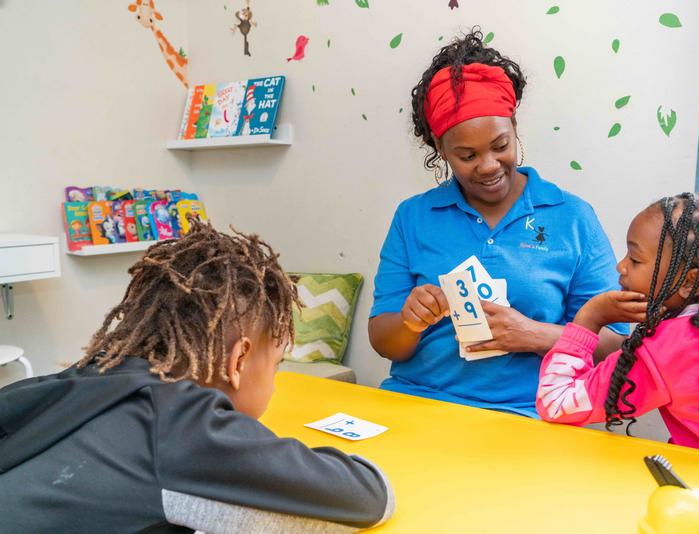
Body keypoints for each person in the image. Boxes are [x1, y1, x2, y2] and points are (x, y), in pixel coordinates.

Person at [0, 222, 394, 532]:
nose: (274, 382)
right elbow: (370, 496)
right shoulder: (181, 424)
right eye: (275, 366)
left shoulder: (91, 374)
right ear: (239, 361)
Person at [368, 29, 627, 417]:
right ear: (440, 148)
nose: (488, 166)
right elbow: (384, 341)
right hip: (417, 402)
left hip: (528, 414)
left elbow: (615, 346)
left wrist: (534, 335)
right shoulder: (413, 217)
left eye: (500, 146)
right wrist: (410, 321)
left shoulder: (573, 218)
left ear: (514, 127)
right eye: (467, 155)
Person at [536, 192, 699, 466]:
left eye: (635, 260)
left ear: (689, 282)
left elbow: (556, 402)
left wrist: (589, 319)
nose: (621, 266)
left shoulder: (664, 349)